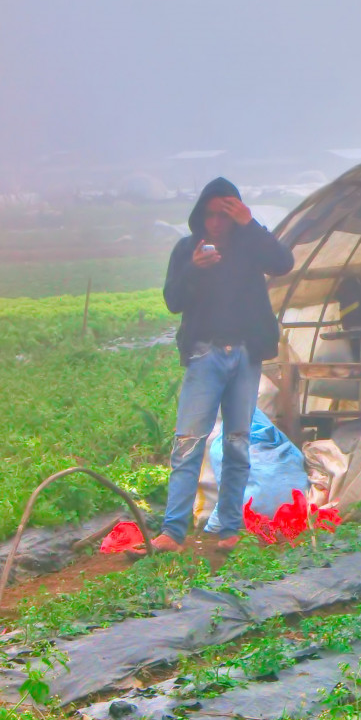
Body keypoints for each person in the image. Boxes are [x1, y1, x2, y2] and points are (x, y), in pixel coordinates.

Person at [150, 178, 296, 553]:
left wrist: (251, 223)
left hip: (245, 354)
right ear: (201, 216)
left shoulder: (250, 248)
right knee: (189, 442)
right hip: (206, 354)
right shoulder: (188, 250)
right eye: (209, 214)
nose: (215, 222)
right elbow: (173, 300)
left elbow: (283, 262)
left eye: (224, 214)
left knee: (237, 443)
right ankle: (173, 532)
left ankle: (229, 528)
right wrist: (195, 269)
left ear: (234, 216)